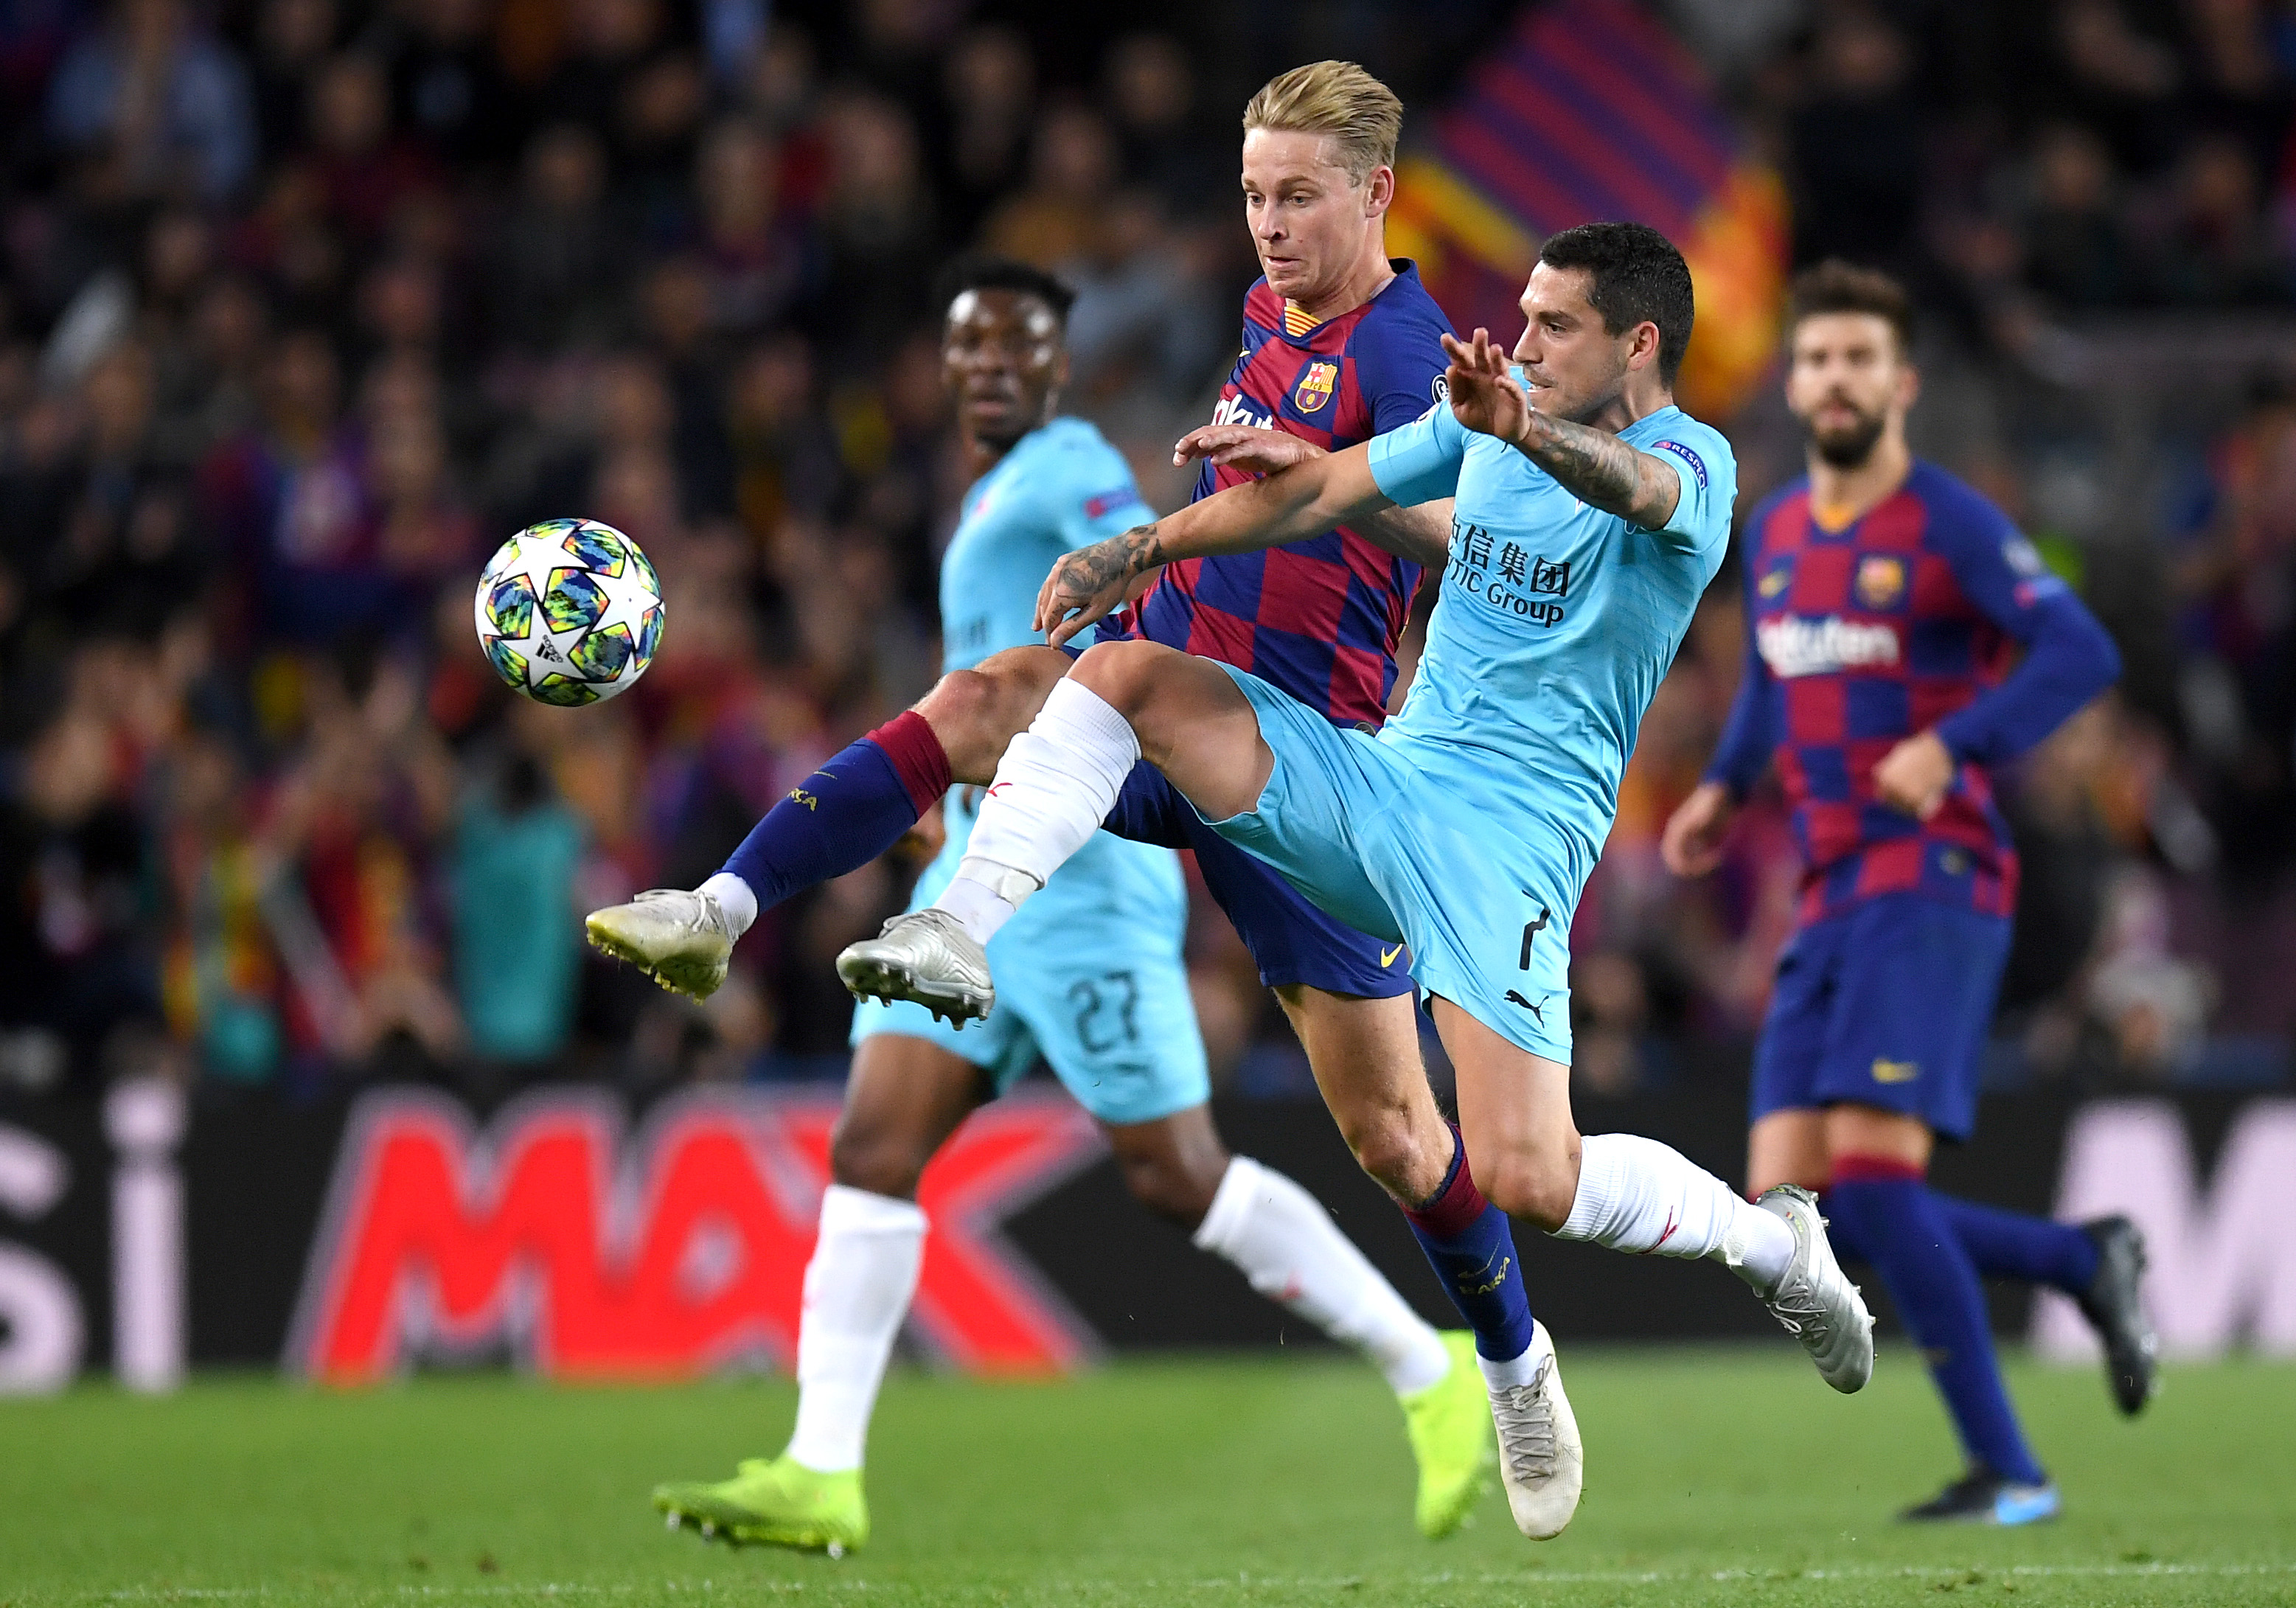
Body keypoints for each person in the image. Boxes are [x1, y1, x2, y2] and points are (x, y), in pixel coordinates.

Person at [591, 60, 1541, 1531]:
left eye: (1297, 195)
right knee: (988, 700)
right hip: (1165, 719)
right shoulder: (1261, 316)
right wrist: (1162, 557)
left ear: (1375, 194)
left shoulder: (1408, 349)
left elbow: (1477, 548)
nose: (1269, 223)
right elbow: (1232, 523)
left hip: (1308, 776)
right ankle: (722, 904)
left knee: (1397, 1146)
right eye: (1250, 194)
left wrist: (1322, 481)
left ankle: (1494, 1362)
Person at [836, 223, 1876, 1544]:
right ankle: (955, 924)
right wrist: (1147, 549)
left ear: (1638, 344)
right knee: (1126, 679)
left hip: (1513, 845)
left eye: (1556, 324)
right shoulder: (1494, 422)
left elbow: (1633, 496)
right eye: (1526, 314)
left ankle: (1771, 1246)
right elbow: (1329, 494)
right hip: (1389, 777)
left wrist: (1517, 424)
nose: (1527, 338)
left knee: (1524, 1174)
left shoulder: (1693, 463)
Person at [1658, 260, 2156, 1525]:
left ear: (1901, 382)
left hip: (1932, 879)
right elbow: (1773, 680)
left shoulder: (1947, 522)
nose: (1832, 379)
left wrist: (1958, 742)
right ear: (1794, 378)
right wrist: (1725, 786)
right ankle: (2077, 1260)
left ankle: (2013, 1471)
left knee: (1871, 1185)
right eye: (1814, 357)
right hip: (1827, 889)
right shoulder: (1772, 530)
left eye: (1856, 359)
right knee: (1806, 1220)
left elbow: (2078, 648)